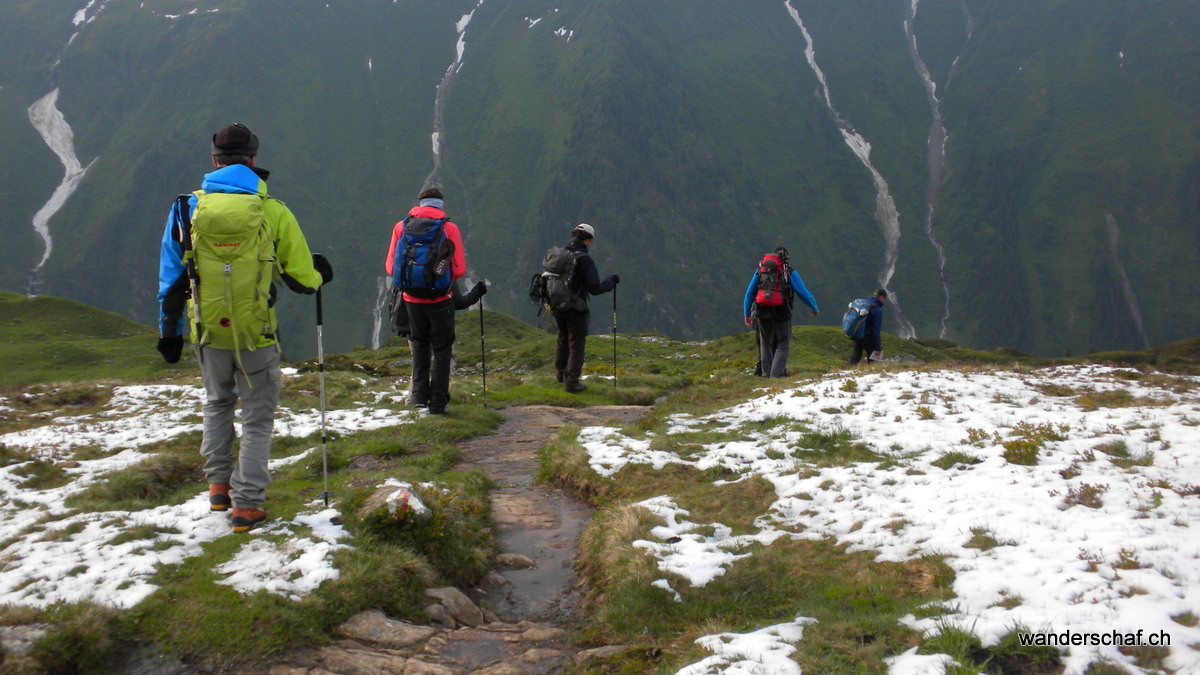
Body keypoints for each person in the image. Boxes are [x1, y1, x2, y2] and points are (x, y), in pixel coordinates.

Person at [156, 123, 332, 533]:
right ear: (253, 161)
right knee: (256, 419)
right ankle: (247, 505)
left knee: (217, 403)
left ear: (214, 161)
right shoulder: (272, 210)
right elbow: (303, 277)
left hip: (207, 332)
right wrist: (320, 276)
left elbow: (171, 275)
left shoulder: (186, 209)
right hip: (257, 333)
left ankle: (219, 487)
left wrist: (169, 329)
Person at [384, 187, 467, 414]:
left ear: (420, 203)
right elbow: (459, 268)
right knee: (441, 351)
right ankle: (438, 404)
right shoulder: (449, 228)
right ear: (440, 204)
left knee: (419, 346)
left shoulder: (401, 227)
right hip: (440, 300)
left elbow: (391, 267)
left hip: (411, 300)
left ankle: (418, 398)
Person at [553, 223, 618, 393]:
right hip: (576, 308)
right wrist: (611, 281)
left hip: (558, 306)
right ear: (588, 240)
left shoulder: (560, 254)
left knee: (562, 339)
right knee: (576, 344)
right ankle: (572, 382)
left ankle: (561, 374)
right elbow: (595, 288)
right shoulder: (584, 259)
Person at [742, 246, 819, 378]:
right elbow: (803, 292)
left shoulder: (761, 271)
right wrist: (814, 307)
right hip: (781, 311)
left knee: (765, 342)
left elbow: (750, 292)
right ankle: (776, 376)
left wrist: (747, 314)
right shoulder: (787, 272)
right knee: (783, 343)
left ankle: (766, 374)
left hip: (762, 310)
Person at [847, 288, 887, 365]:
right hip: (867, 336)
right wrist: (878, 348)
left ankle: (847, 368)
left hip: (858, 333)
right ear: (881, 297)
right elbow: (876, 331)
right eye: (884, 299)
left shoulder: (865, 303)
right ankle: (873, 372)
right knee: (873, 358)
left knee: (857, 354)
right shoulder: (877, 310)